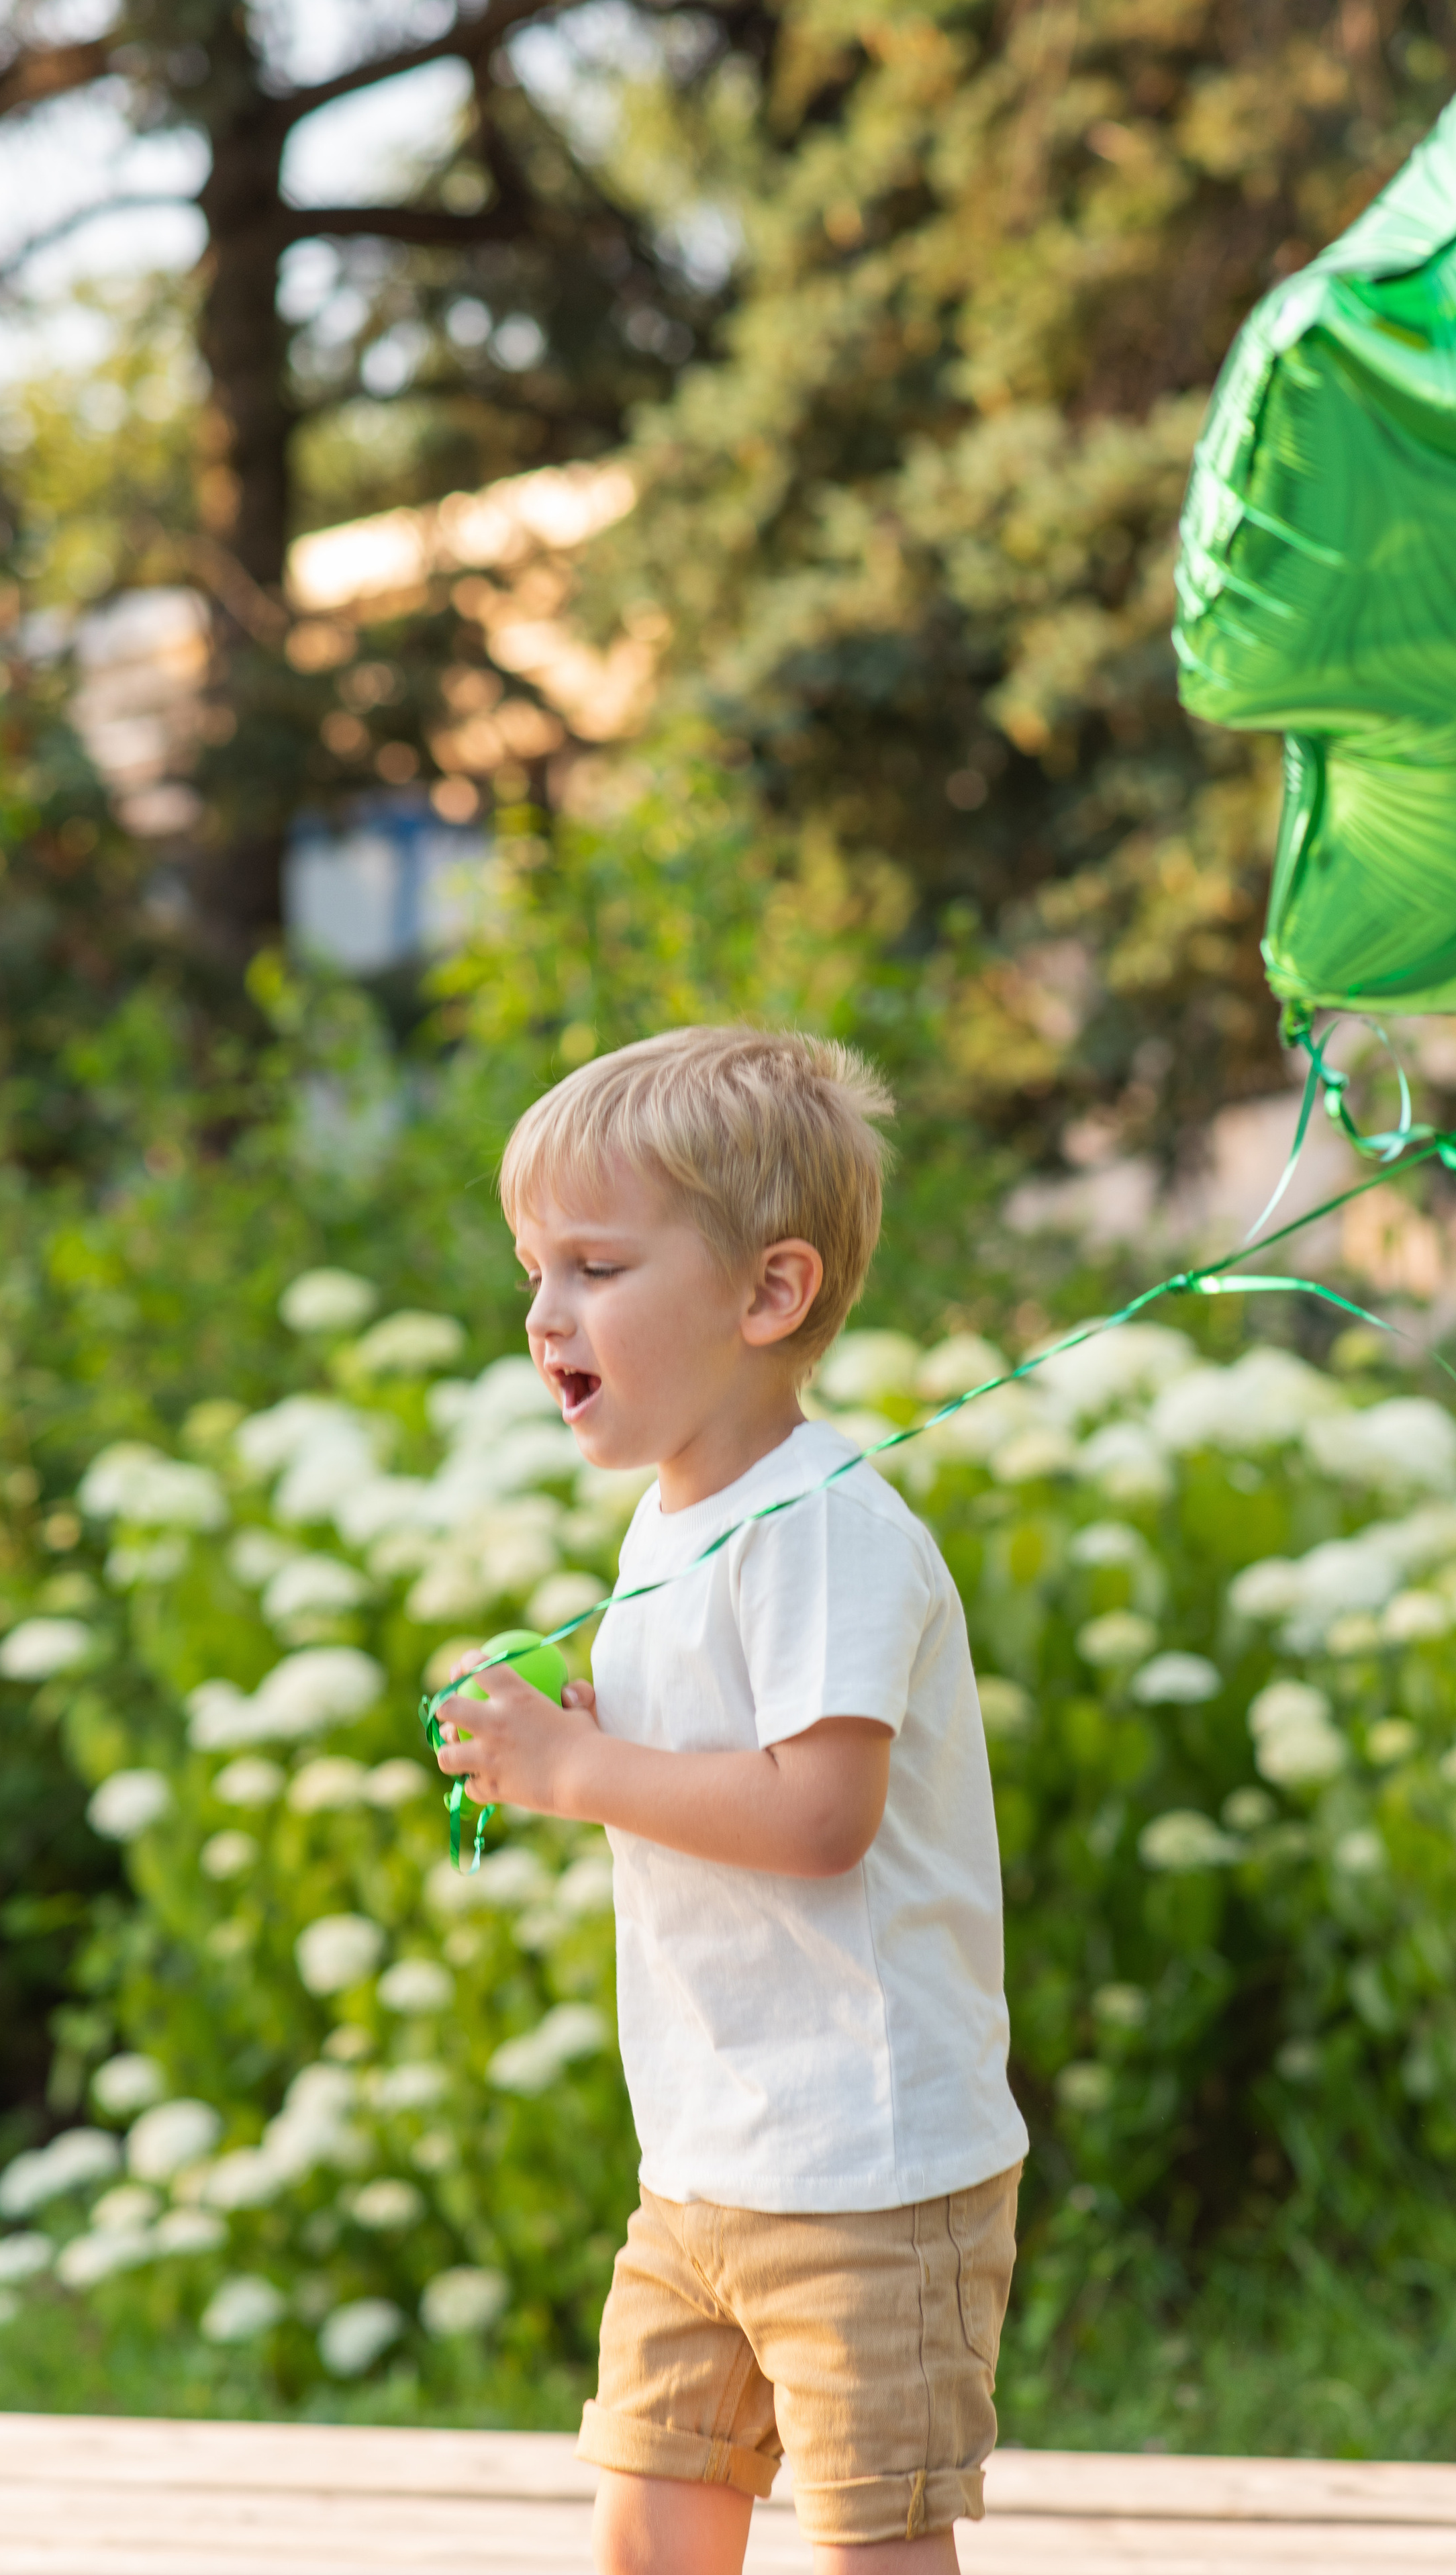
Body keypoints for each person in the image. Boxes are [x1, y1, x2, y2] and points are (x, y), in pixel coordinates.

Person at [434, 1025, 1028, 2575]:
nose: (542, 1313)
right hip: (707, 2157)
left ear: (769, 1293)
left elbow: (817, 1814)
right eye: (533, 1269)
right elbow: (711, 1762)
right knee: (646, 2528)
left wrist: (579, 1771)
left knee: (870, 2541)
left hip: (867, 2169)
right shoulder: (674, 1520)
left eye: (594, 1267)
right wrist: (577, 1733)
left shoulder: (823, 1526)